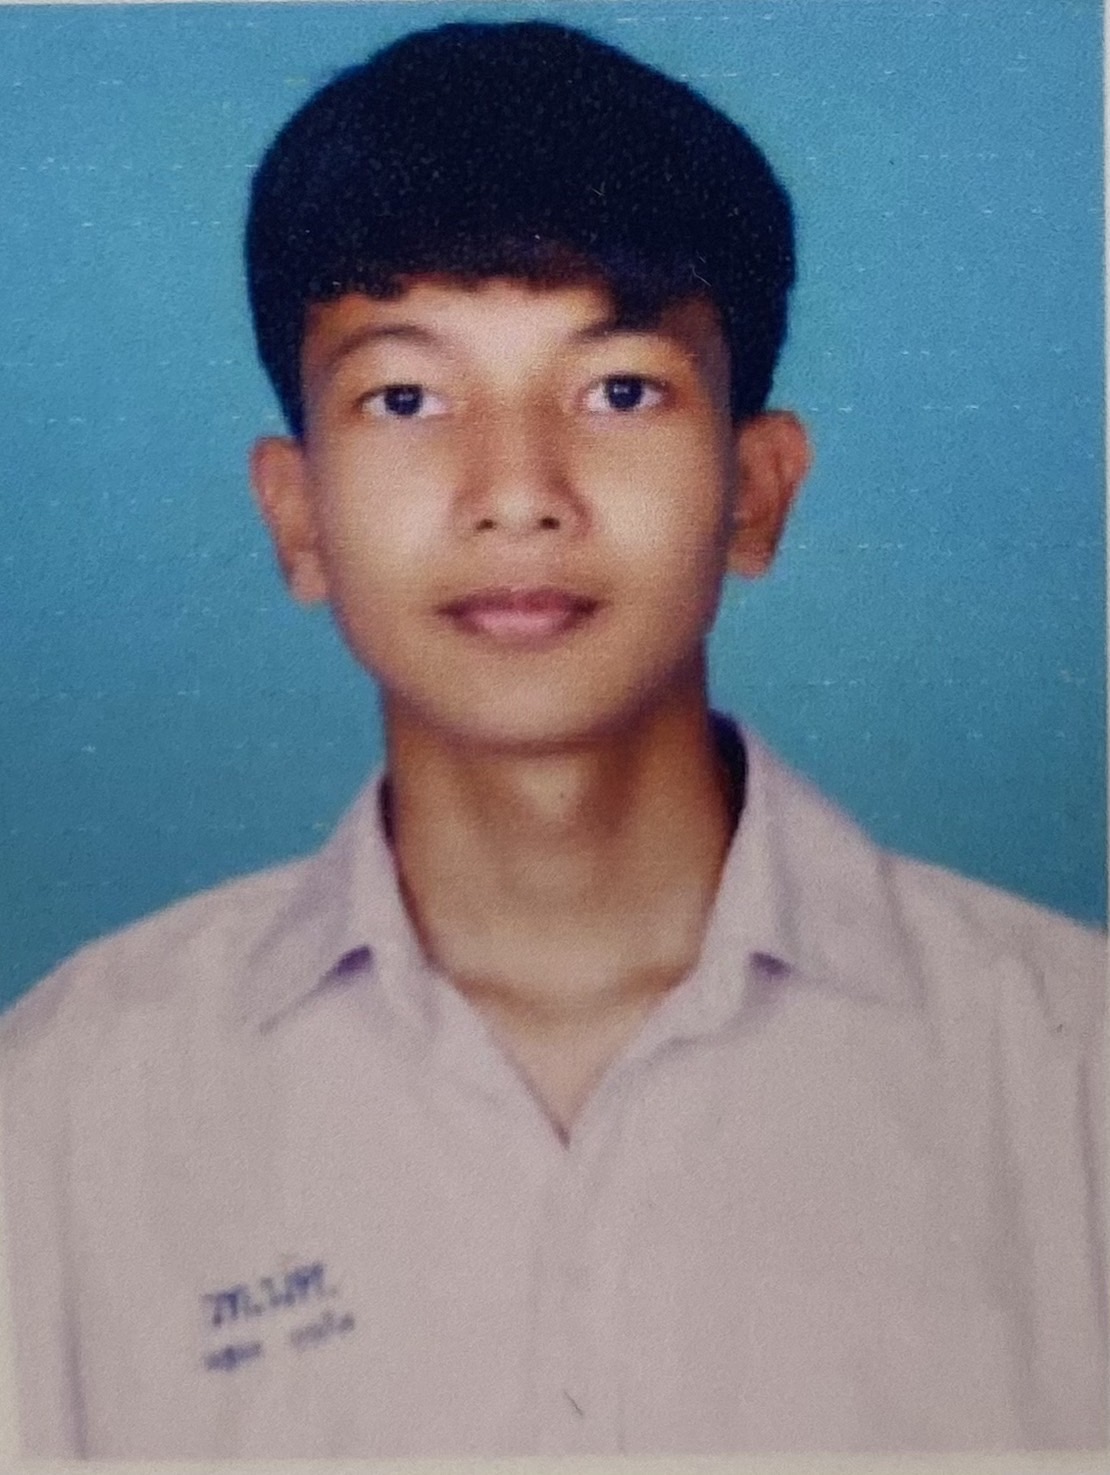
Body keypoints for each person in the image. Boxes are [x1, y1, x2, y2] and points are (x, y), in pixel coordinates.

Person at [0, 18, 1104, 1460]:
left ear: (757, 490)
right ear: (296, 513)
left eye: (619, 391)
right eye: (405, 397)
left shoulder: (1068, 1071)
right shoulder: (63, 1107)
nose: (516, 492)